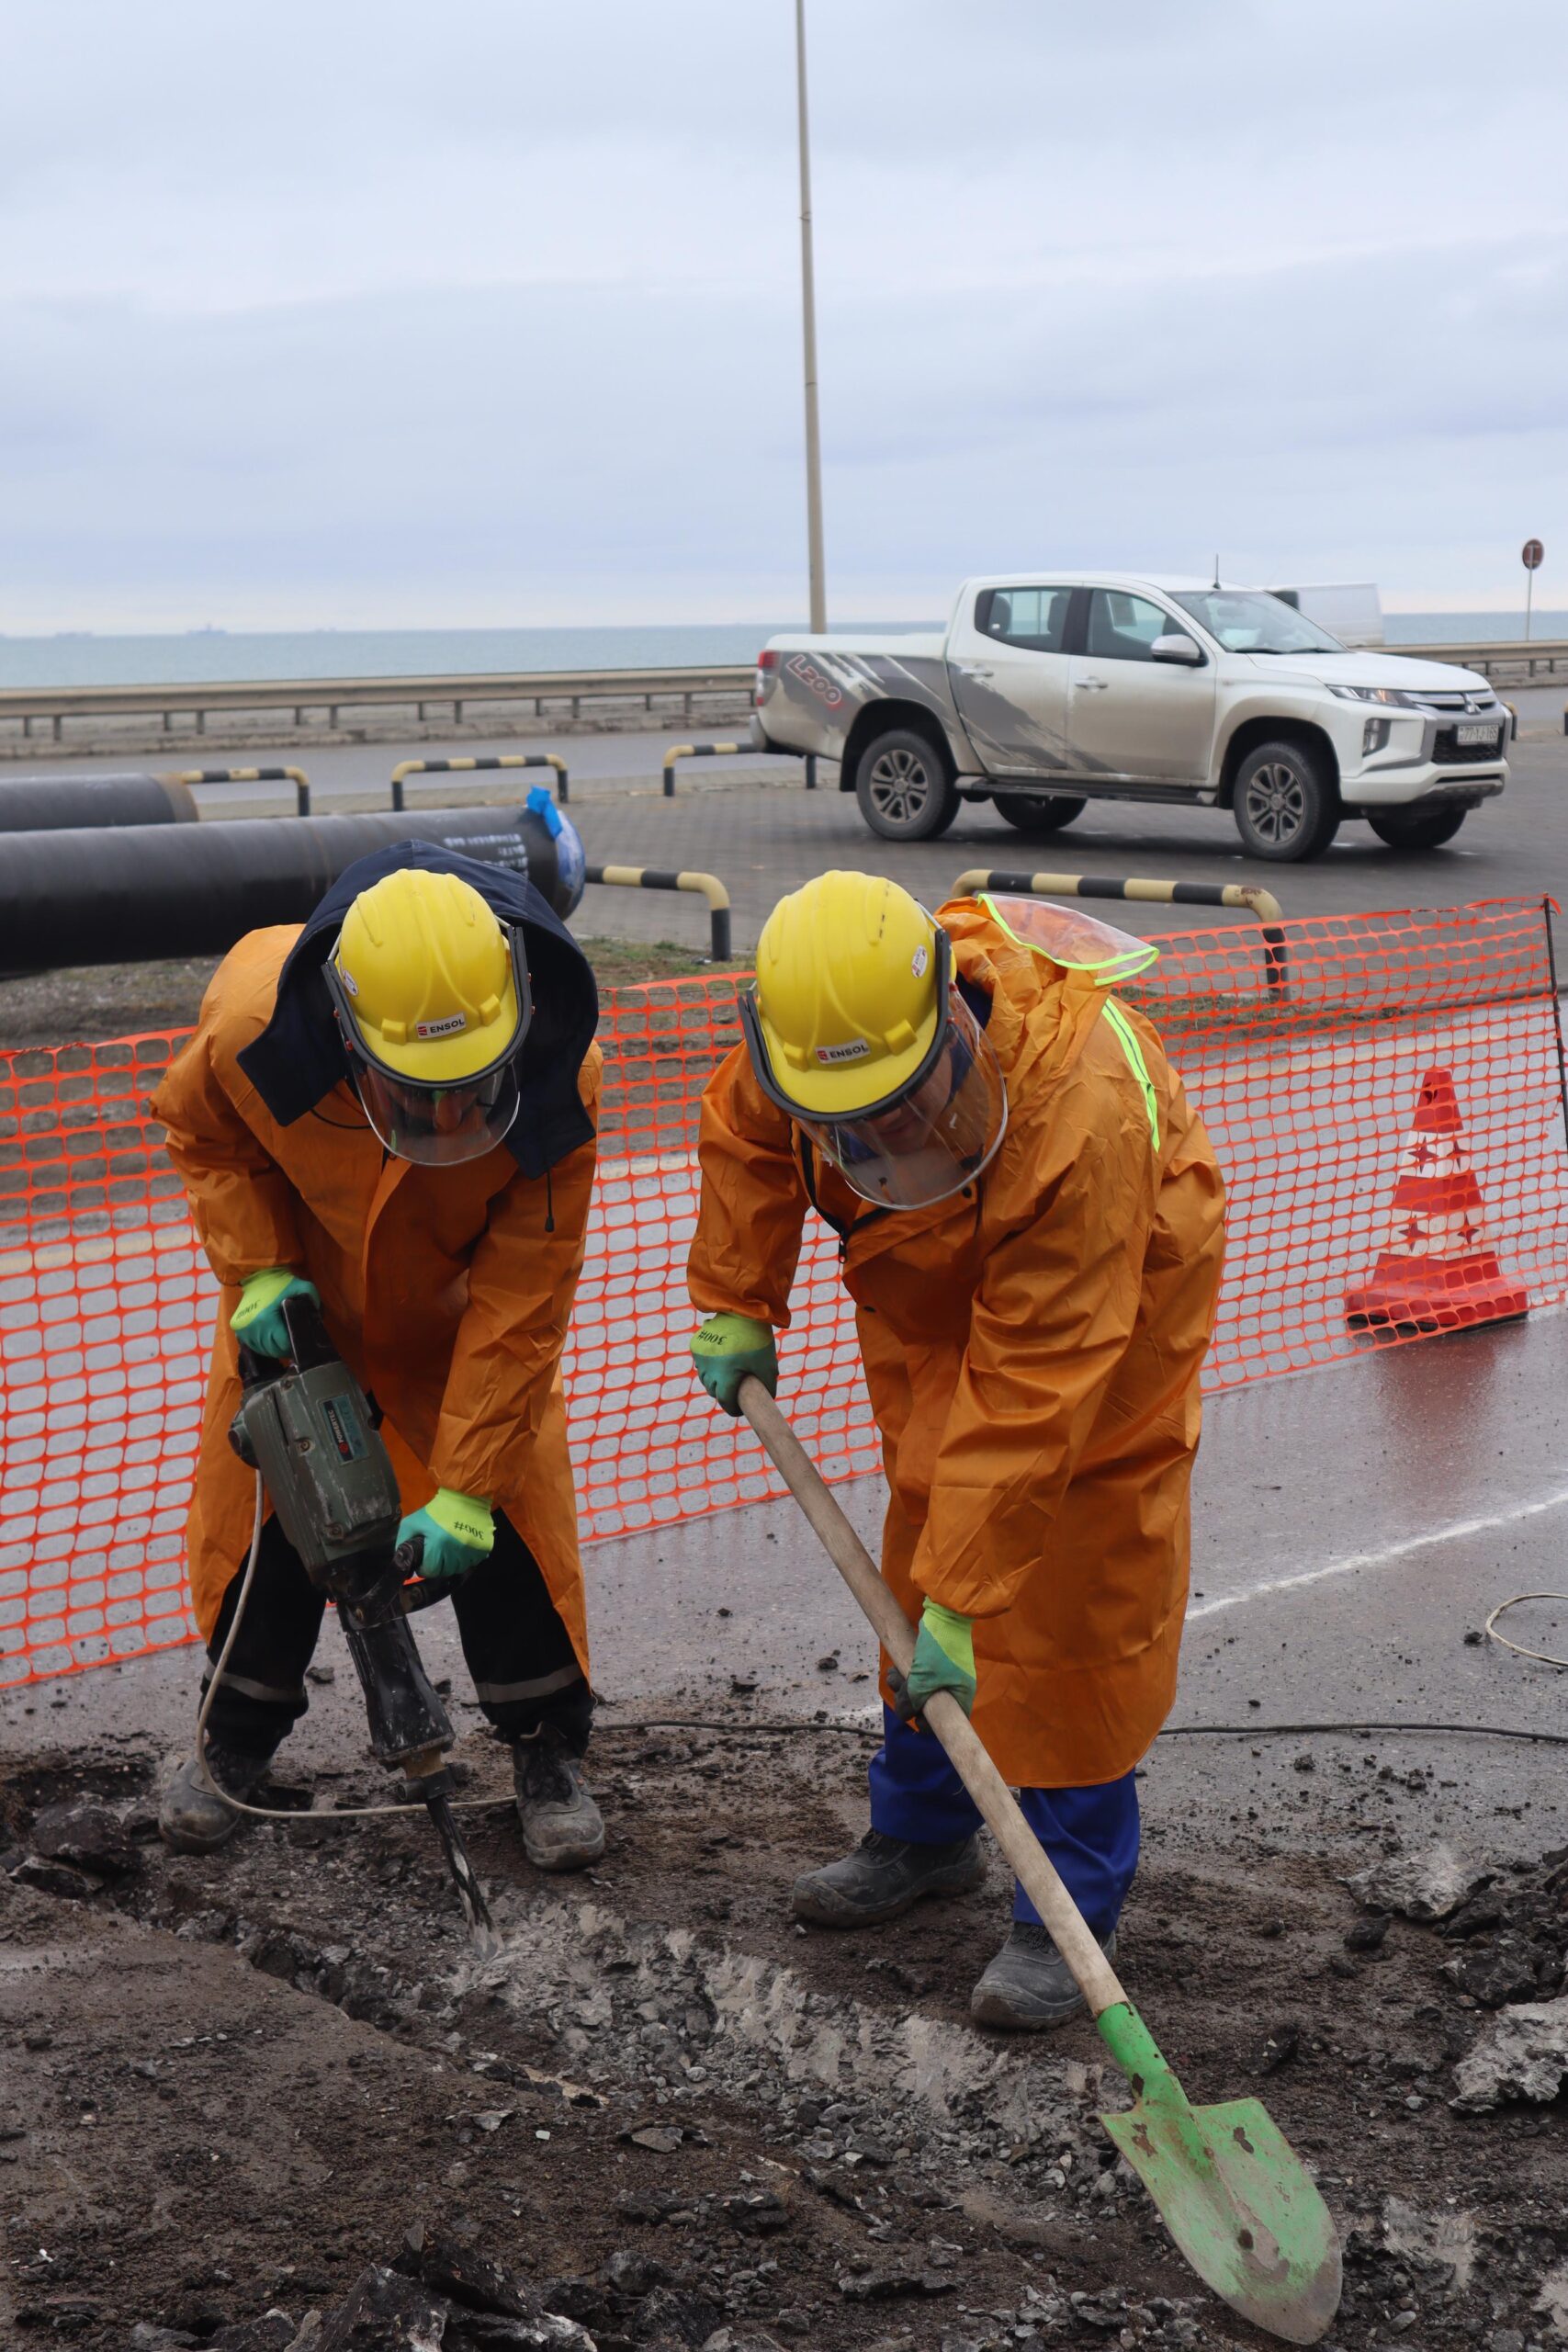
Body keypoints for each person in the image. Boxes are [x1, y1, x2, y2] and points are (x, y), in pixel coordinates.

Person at [686, 872, 1224, 2029]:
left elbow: (1039, 1381)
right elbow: (744, 1134)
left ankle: (1065, 1906)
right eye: (853, 1123)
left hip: (1108, 1297)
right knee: (924, 1538)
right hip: (932, 1275)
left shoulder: (1080, 1106)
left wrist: (968, 1600)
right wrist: (739, 1292)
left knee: (1074, 1585)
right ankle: (926, 1835)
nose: (879, 1136)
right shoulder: (809, 1041)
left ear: (948, 1016)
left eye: (901, 1108)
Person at [153, 844, 605, 1872]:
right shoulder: (253, 1025)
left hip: (462, 1336)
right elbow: (203, 1135)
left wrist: (469, 1489)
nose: (446, 1119)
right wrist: (260, 1268)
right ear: (346, 1034)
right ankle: (231, 1745)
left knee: (506, 1532)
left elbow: (527, 1290)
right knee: (270, 1538)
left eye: (466, 1091)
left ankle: (545, 1751)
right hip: (300, 1321)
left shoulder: (559, 1073)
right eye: (415, 1093)